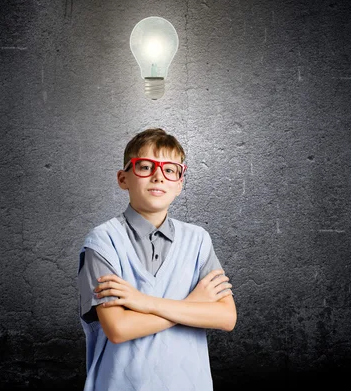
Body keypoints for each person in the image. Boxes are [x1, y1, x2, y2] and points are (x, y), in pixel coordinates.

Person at [77, 128, 236, 391]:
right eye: (146, 166)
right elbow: (119, 329)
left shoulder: (198, 240)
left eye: (170, 170)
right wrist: (191, 305)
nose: (158, 177)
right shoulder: (103, 241)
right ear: (122, 178)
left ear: (180, 183)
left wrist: (144, 302)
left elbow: (226, 317)